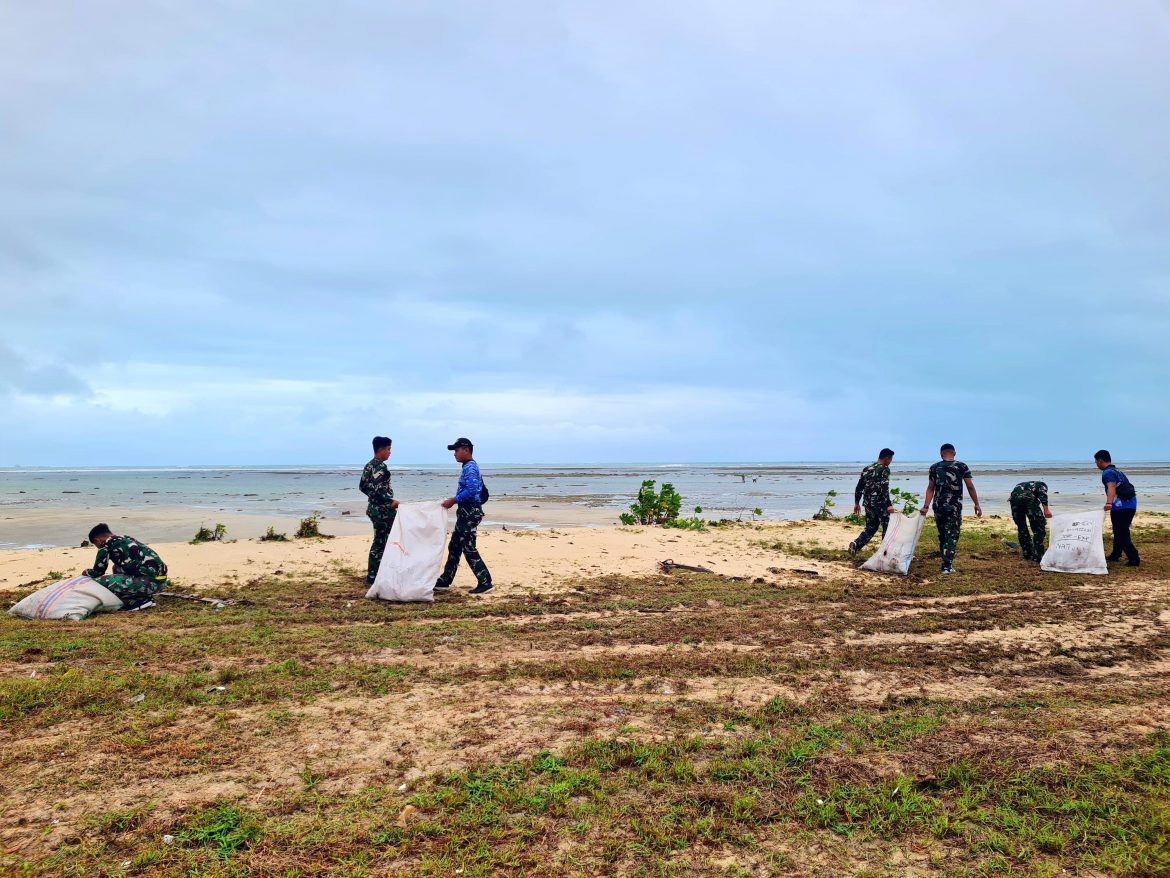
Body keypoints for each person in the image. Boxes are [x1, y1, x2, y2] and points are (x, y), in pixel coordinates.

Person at [435, 437, 493, 594]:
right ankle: (445, 580)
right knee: (454, 546)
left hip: (470, 512)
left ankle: (485, 581)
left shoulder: (470, 468)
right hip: (466, 512)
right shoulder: (468, 467)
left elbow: (473, 490)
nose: (454, 454)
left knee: (468, 547)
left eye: (456, 450)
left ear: (466, 450)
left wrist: (454, 500)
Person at [920, 444, 982, 574]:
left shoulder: (934, 467)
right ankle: (947, 566)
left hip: (938, 506)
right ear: (954, 453)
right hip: (953, 506)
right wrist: (976, 504)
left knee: (943, 534)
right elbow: (970, 486)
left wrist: (925, 506)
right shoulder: (961, 466)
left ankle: (945, 559)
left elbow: (930, 488)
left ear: (941, 454)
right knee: (952, 534)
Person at [83, 524, 168, 610]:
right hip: (161, 583)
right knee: (116, 567)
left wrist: (85, 573)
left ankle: (138, 601)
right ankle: (137, 595)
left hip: (148, 584)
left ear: (97, 540)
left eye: (95, 544)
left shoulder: (105, 545)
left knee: (99, 581)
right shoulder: (126, 538)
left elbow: (98, 572)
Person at [359, 436, 401, 586]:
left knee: (380, 540)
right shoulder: (379, 467)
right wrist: (390, 501)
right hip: (383, 510)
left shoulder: (368, 465)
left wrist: (374, 499)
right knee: (384, 541)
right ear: (382, 449)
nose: (390, 452)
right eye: (389, 449)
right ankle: (376, 574)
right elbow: (377, 489)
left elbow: (363, 487)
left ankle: (374, 573)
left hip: (373, 508)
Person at [848, 448, 896, 556]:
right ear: (887, 458)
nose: (891, 462)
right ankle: (885, 552)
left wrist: (857, 503)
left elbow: (859, 487)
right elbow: (884, 488)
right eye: (891, 459)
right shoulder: (884, 469)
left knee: (871, 527)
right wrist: (889, 505)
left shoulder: (867, 469)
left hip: (868, 503)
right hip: (880, 504)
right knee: (887, 527)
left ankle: (856, 544)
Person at [1095, 450, 1139, 566]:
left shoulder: (1107, 473)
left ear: (1100, 460)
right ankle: (1116, 554)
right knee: (1120, 531)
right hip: (1130, 505)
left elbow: (1111, 486)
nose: (1096, 464)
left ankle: (1134, 558)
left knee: (1121, 532)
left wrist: (1109, 503)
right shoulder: (1117, 471)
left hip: (1121, 507)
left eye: (1096, 462)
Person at [1009, 480, 1052, 562]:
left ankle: (1027, 553)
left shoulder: (1021, 484)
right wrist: (1046, 510)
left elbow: (1014, 494)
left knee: (1022, 527)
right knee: (1038, 528)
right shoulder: (1041, 485)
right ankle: (1038, 555)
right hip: (1029, 500)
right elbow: (1043, 496)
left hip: (1014, 500)